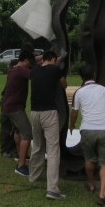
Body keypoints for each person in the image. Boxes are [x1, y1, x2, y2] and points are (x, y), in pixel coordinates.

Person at [70, 64, 105, 206]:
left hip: (87, 129)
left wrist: (71, 124)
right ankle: (103, 193)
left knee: (89, 158)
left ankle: (91, 184)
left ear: (81, 77)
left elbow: (74, 112)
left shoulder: (79, 92)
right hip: (104, 129)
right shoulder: (104, 90)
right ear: (94, 74)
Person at [28, 50, 67, 201]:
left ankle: (33, 176)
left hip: (34, 112)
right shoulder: (55, 70)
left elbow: (37, 61)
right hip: (49, 113)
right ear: (53, 59)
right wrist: (58, 62)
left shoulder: (35, 69)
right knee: (52, 150)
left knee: (37, 145)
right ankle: (52, 189)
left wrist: (53, 59)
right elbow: (64, 85)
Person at [1, 48, 36, 176]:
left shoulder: (13, 68)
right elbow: (35, 74)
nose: (31, 66)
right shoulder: (21, 71)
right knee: (27, 133)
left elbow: (32, 61)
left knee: (17, 131)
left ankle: (20, 155)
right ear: (26, 60)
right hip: (15, 109)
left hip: (8, 106)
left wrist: (43, 57)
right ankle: (21, 166)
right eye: (30, 63)